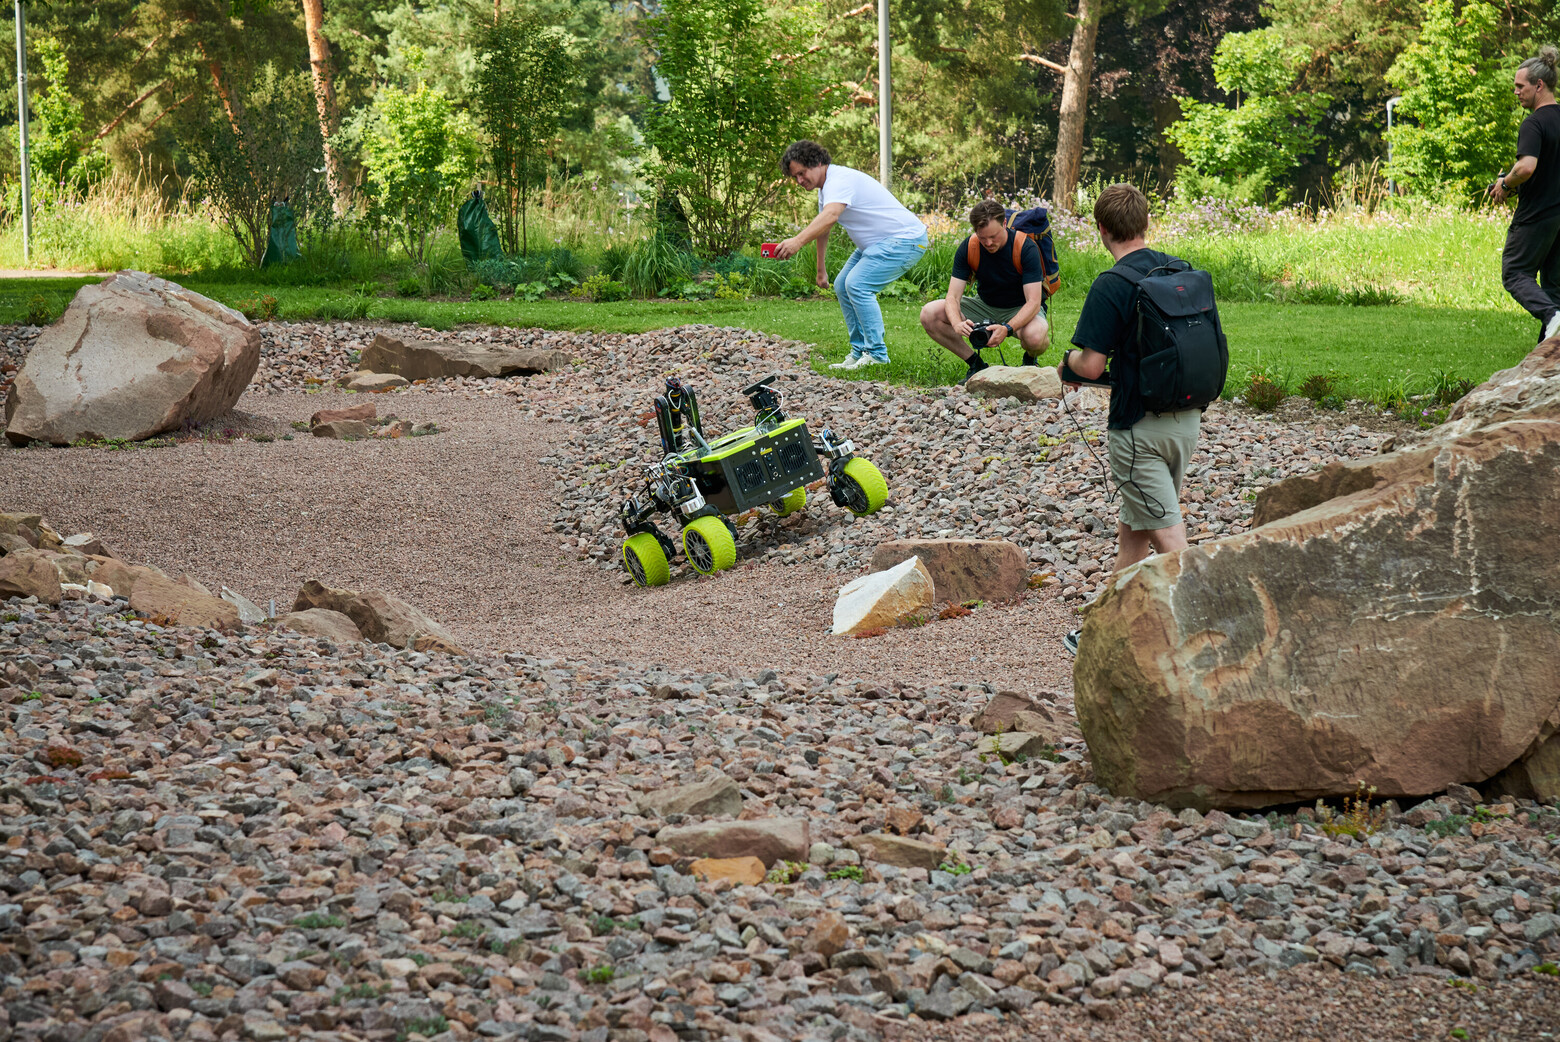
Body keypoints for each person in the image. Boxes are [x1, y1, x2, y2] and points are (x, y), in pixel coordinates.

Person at [1057, 185, 1207, 656]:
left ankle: (1209, 621)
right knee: (1134, 531)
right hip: (1185, 421)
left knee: (1167, 534)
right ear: (1146, 223)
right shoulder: (1180, 272)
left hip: (1137, 430)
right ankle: (1105, 626)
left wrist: (1066, 366)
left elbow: (1092, 366)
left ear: (1101, 229)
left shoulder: (1112, 284)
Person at [773, 141, 930, 369]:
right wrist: (821, 270)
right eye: (795, 177)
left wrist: (797, 241)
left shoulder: (839, 180)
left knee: (857, 285)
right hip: (878, 244)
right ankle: (859, 352)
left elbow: (831, 216)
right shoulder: (826, 188)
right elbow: (823, 227)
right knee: (842, 285)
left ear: (817, 163)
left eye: (801, 173)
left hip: (905, 240)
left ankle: (877, 355)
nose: (799, 181)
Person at [919, 199, 1050, 384]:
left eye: (994, 236)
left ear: (1004, 224)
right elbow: (953, 297)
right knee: (929, 313)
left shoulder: (1025, 248)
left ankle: (1029, 360)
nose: (988, 242)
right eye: (983, 237)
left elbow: (1034, 302)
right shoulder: (969, 247)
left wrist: (1007, 328)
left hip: (1020, 307)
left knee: (1035, 337)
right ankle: (976, 364)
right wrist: (957, 323)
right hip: (984, 305)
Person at [1492, 45, 1560, 342]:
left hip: (1536, 215)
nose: (1516, 92)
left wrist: (1505, 184)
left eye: (1521, 86)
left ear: (1539, 85)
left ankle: (1552, 316)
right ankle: (1551, 356)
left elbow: (1527, 167)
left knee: (1515, 273)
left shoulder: (1533, 123)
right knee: (1554, 287)